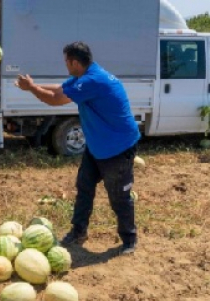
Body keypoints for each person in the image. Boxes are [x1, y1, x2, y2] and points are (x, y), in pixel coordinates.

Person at [15, 41, 141, 255]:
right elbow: (61, 89)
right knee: (84, 187)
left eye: (66, 61)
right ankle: (79, 231)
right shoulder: (86, 75)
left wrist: (32, 89)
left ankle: (130, 239)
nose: (65, 65)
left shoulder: (93, 80)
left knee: (119, 196)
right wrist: (35, 85)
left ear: (74, 62)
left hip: (117, 147)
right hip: (97, 145)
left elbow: (55, 100)